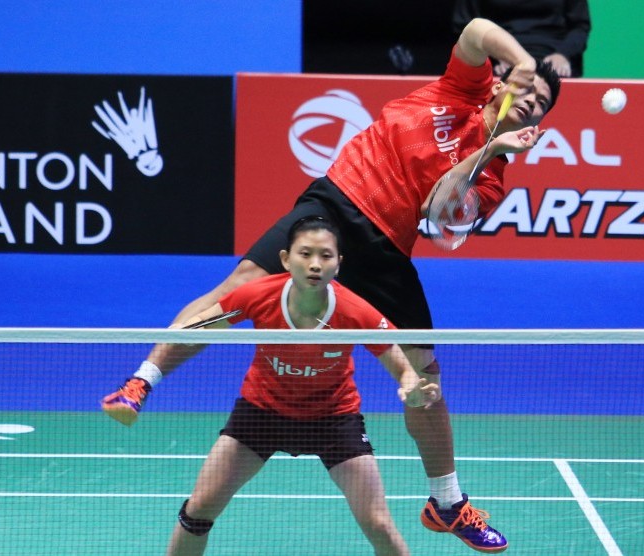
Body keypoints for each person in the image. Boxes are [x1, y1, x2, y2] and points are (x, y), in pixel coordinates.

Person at [104, 17, 561, 553]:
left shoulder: (493, 177)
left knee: (426, 376)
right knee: (237, 291)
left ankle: (447, 503)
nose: (533, 100)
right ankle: (142, 380)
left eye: (543, 104)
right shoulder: (462, 85)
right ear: (504, 81)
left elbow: (439, 212)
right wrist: (527, 61)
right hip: (336, 200)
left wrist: (490, 149)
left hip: (387, 247)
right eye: (528, 90)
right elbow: (478, 28)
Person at [157, 217, 439, 555]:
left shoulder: (354, 310)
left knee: (378, 523)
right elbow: (205, 322)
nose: (315, 264)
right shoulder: (258, 294)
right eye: (305, 254)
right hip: (261, 413)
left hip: (334, 419)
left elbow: (403, 368)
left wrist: (414, 389)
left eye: (325, 255)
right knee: (198, 510)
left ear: (339, 263)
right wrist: (180, 333)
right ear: (285, 259)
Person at [452, 0, 591, 78]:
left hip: (552, 57)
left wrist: (563, 55)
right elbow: (465, 26)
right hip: (499, 59)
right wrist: (493, 57)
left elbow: (580, 26)